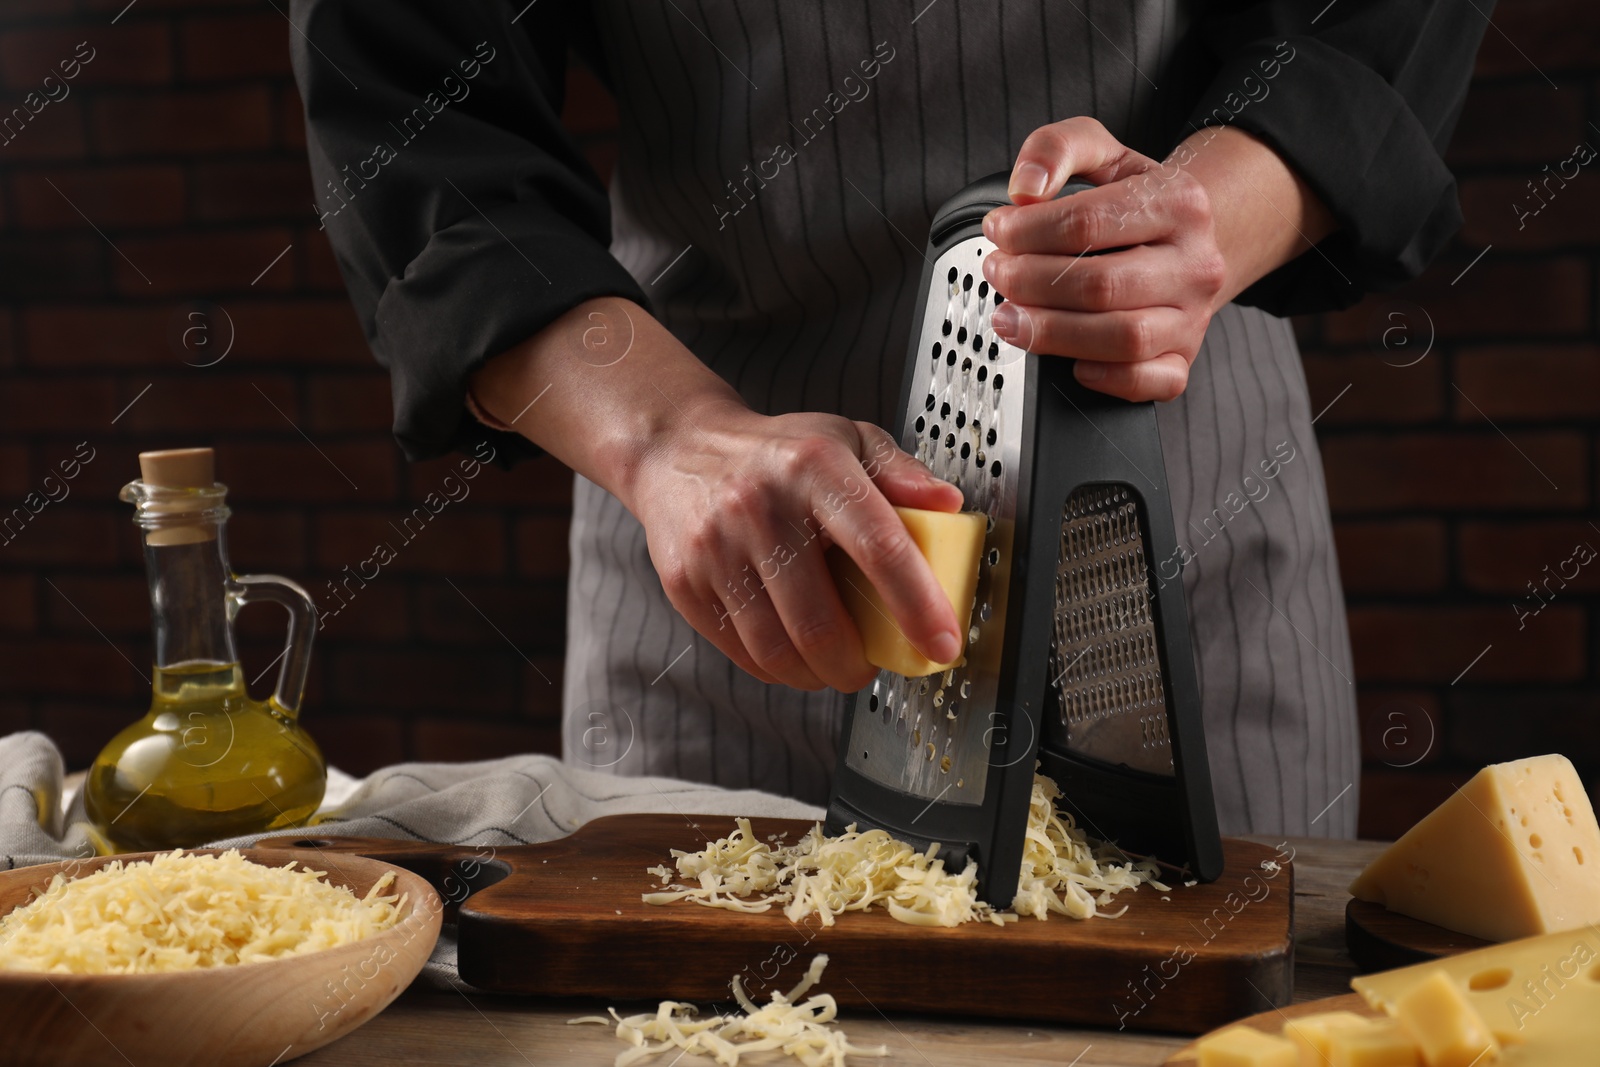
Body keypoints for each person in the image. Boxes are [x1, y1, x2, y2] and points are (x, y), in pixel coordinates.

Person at [291, 1, 1487, 836]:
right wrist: (665, 438)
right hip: (720, 556)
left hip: (1178, 542)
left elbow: (1372, 22)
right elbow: (416, 114)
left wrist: (1203, 220)